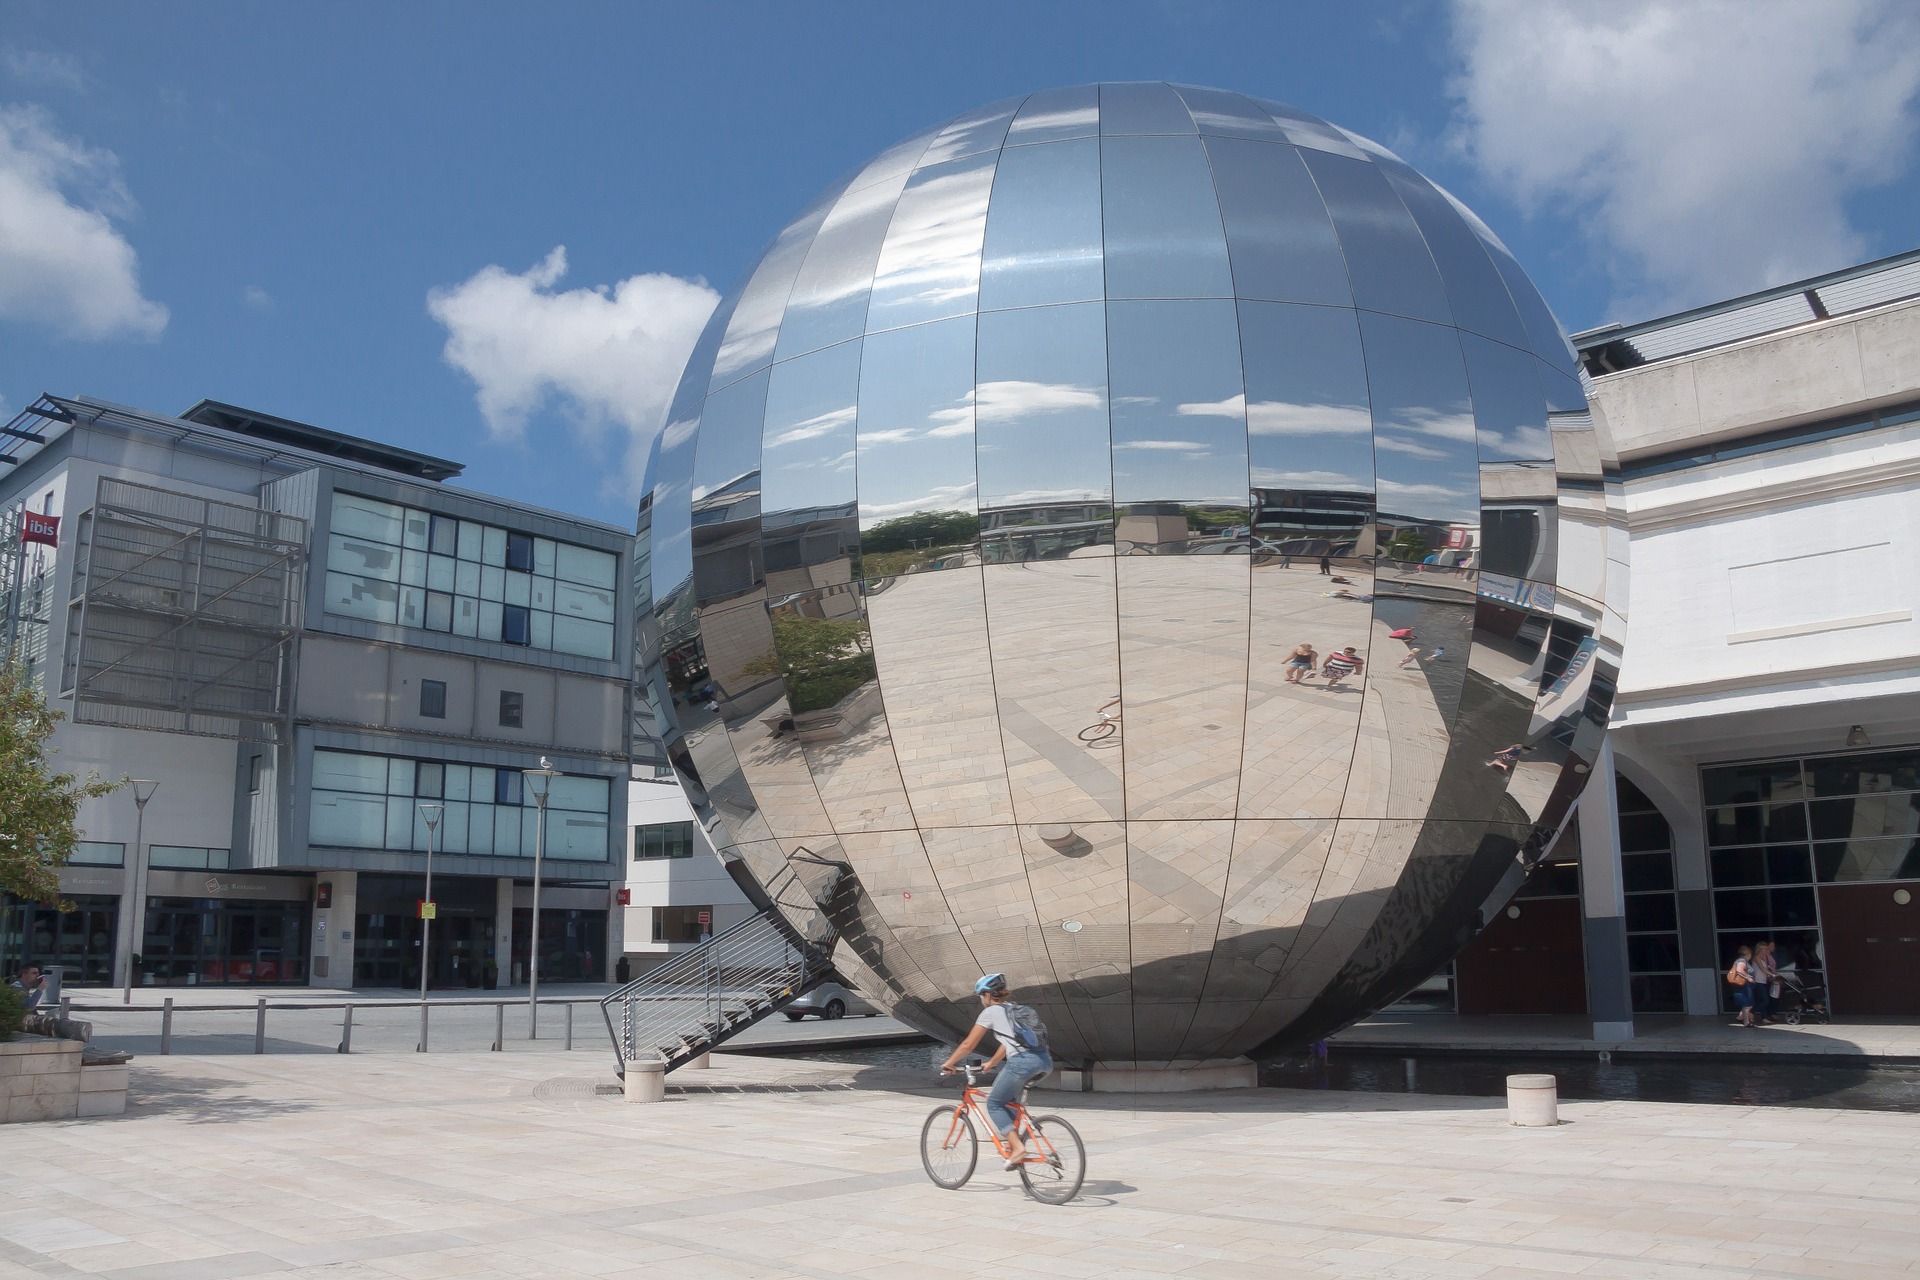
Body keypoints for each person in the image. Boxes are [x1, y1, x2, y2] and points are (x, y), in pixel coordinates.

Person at [939, 973, 1054, 1169]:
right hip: (1045, 1061)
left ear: (986, 995)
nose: (981, 1000)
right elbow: (1008, 1042)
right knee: (1009, 1104)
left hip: (1022, 1063)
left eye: (980, 996)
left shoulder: (990, 1013)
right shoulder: (1012, 1009)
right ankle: (1013, 1147)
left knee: (993, 1103)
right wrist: (992, 1062)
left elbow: (968, 1043)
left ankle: (1017, 1147)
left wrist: (949, 1063)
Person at [1727, 946, 1757, 1027]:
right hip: (1744, 985)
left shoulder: (1741, 961)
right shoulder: (1741, 961)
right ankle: (1746, 1022)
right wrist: (1748, 977)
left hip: (1745, 985)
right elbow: (1739, 970)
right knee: (1747, 1003)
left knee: (1748, 1003)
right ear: (1748, 954)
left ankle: (1741, 1017)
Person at [1752, 941, 1779, 1023]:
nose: (1765, 950)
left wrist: (1773, 974)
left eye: (1766, 949)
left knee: (1763, 1000)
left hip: (1763, 981)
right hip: (1758, 982)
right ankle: (1749, 1011)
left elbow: (1768, 968)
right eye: (1763, 949)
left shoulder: (1762, 958)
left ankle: (1764, 1018)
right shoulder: (1756, 957)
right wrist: (1772, 974)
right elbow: (1762, 969)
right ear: (1759, 949)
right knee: (1765, 1000)